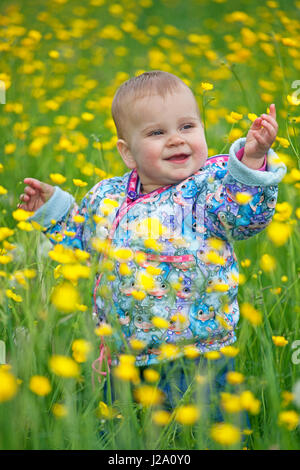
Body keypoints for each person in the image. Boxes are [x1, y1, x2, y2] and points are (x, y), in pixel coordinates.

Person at [19, 71, 286, 413]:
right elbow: (84, 243)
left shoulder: (209, 190)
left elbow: (244, 216)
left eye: (187, 126)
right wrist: (52, 209)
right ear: (128, 153)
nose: (176, 139)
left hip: (198, 356)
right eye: (157, 132)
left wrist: (251, 160)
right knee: (120, 433)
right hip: (124, 357)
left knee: (200, 435)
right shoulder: (107, 197)